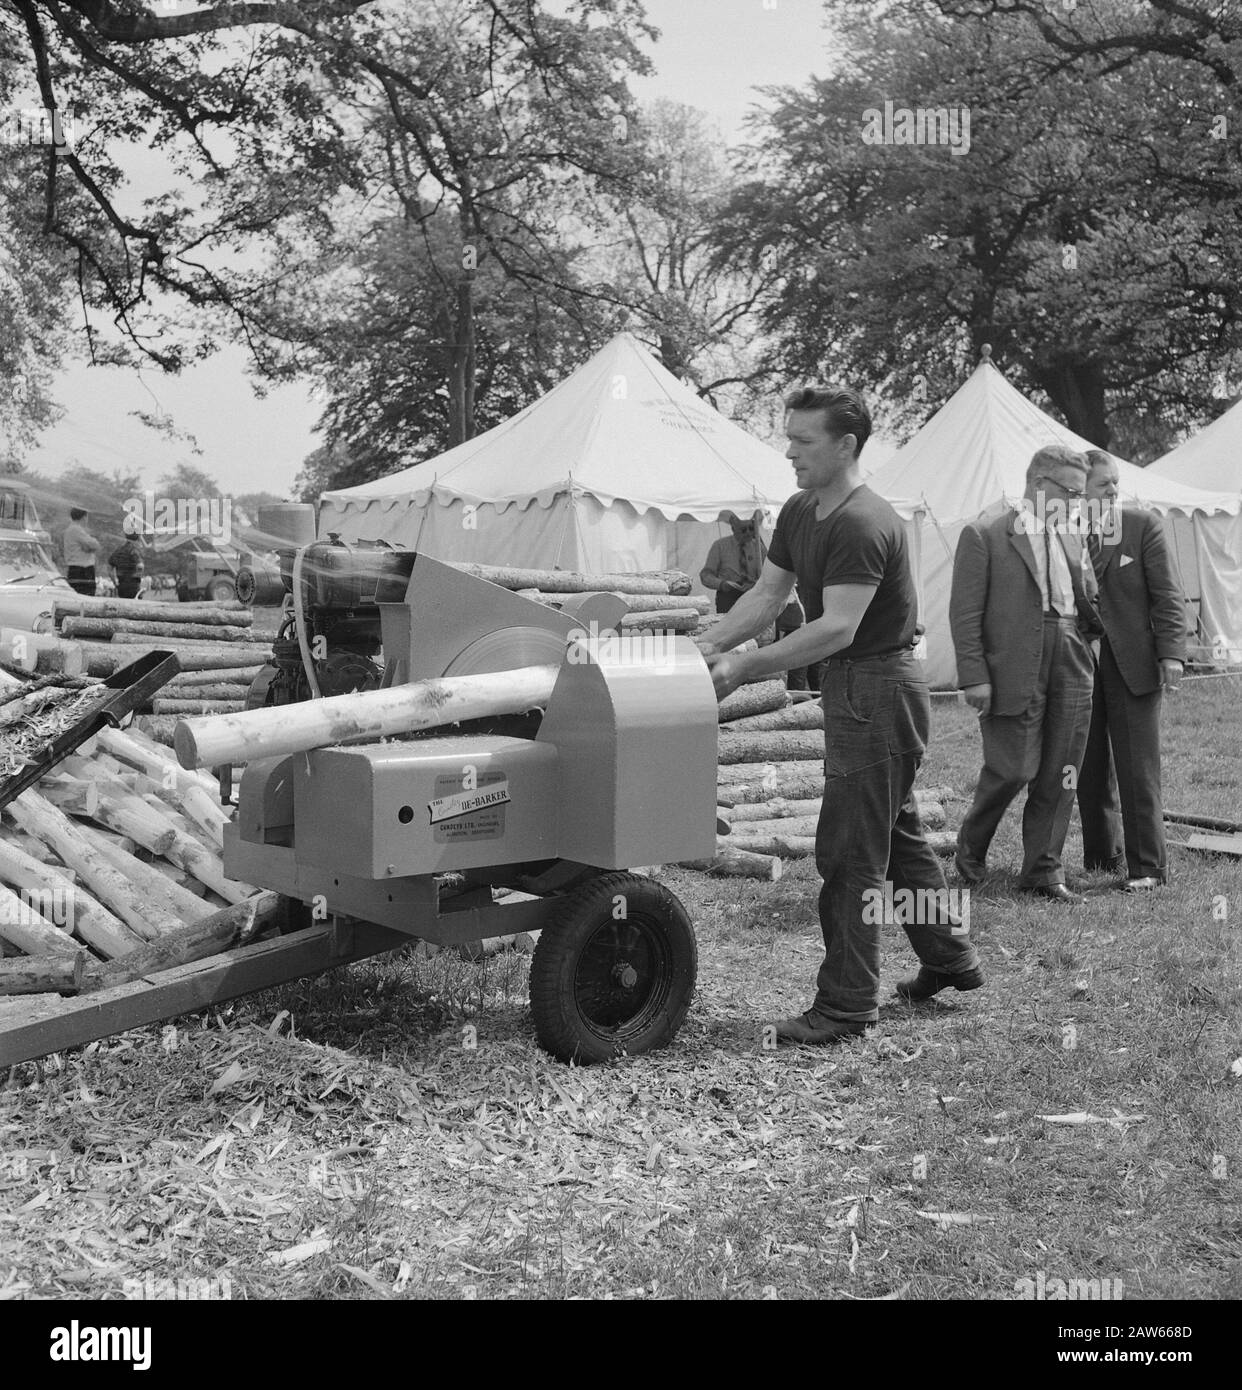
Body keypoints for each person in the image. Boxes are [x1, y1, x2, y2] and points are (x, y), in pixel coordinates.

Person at [700, 384, 982, 1044]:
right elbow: (769, 596)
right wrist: (707, 644)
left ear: (846, 445)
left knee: (851, 858)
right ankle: (948, 957)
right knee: (902, 836)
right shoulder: (802, 510)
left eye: (803, 441)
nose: (788, 452)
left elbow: (837, 629)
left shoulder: (863, 522)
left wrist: (741, 668)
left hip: (880, 690)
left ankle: (847, 1005)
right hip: (858, 692)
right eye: (788, 437)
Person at [950, 445, 1099, 904]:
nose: (1077, 501)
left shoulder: (1074, 532)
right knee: (1012, 768)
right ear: (1039, 484)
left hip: (1070, 652)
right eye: (1070, 492)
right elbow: (965, 612)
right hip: (1012, 663)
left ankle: (1042, 870)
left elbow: (1087, 593)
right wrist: (974, 675)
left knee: (1063, 770)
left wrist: (1091, 640)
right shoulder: (986, 532)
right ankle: (970, 851)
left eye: (1080, 494)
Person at [1075, 450, 1186, 891]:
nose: (1114, 491)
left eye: (1116, 483)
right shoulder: (1064, 533)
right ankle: (1102, 857)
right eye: (1104, 485)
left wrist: (1172, 653)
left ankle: (1147, 868)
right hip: (1082, 664)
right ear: (1080, 492)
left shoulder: (1143, 526)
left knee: (1137, 767)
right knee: (1088, 764)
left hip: (1135, 663)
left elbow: (1168, 595)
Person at [700, 512, 767, 614]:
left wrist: (754, 584)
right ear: (733, 529)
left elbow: (767, 574)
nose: (749, 533)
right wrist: (722, 584)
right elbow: (706, 575)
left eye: (751, 528)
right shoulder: (720, 546)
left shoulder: (759, 547)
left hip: (752, 596)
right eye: (743, 530)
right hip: (728, 597)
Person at [62, 508, 100, 595]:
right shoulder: (76, 530)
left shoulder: (70, 530)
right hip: (82, 571)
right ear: (84, 517)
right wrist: (90, 547)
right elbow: (95, 544)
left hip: (75, 569)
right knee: (86, 596)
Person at [108, 531, 146, 600]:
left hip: (121, 585)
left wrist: (115, 582)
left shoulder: (118, 550)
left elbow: (110, 570)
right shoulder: (134, 551)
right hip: (133, 586)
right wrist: (136, 577)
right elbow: (140, 566)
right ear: (138, 539)